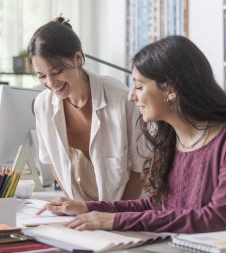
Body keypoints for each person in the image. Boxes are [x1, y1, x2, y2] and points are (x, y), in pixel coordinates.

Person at [36, 36, 226, 236]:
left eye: (139, 86)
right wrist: (88, 207)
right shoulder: (171, 136)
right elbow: (156, 205)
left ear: (170, 90)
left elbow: (219, 219)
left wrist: (114, 221)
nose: (131, 96)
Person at [27, 17, 147, 201]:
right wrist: (78, 209)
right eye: (41, 76)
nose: (50, 83)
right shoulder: (43, 105)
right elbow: (55, 163)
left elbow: (141, 170)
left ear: (78, 58)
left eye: (57, 71)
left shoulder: (120, 98)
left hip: (127, 211)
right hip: (82, 216)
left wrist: (112, 216)